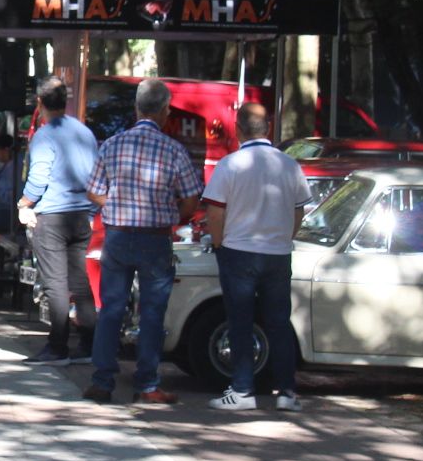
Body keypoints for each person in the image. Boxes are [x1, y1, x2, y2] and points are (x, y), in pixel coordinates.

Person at [84, 78, 203, 406]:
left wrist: (115, 205)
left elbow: (93, 189)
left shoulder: (111, 145)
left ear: (136, 108)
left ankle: (102, 382)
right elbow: (191, 199)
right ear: (166, 110)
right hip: (155, 240)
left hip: (118, 236)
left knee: (110, 309)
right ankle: (148, 385)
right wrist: (173, 217)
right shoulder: (174, 150)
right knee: (152, 313)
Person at [203, 101, 310, 412]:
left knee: (240, 321)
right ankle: (287, 392)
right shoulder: (289, 165)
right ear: (270, 129)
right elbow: (298, 210)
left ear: (237, 130)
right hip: (277, 253)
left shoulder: (230, 164)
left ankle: (242, 389)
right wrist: (283, 238)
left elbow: (215, 210)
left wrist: (220, 244)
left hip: (238, 251)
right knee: (279, 323)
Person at [17, 76, 101, 367]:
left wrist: (24, 202)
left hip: (52, 217)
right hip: (81, 216)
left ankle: (58, 346)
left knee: (55, 284)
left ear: (39, 103)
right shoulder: (84, 133)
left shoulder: (44, 135)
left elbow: (38, 177)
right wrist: (90, 213)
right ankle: (90, 344)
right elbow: (95, 176)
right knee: (80, 283)